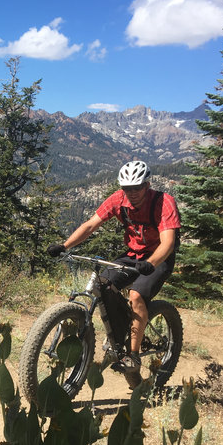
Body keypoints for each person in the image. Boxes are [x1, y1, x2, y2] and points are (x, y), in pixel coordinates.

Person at [46, 160, 181, 388]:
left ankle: (133, 356)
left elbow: (168, 242)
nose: (131, 193)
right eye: (127, 188)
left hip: (158, 258)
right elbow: (90, 225)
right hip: (132, 255)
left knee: (137, 296)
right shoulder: (118, 199)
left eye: (136, 188)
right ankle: (119, 337)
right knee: (103, 284)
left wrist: (151, 263)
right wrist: (65, 246)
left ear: (147, 185)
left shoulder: (163, 202)